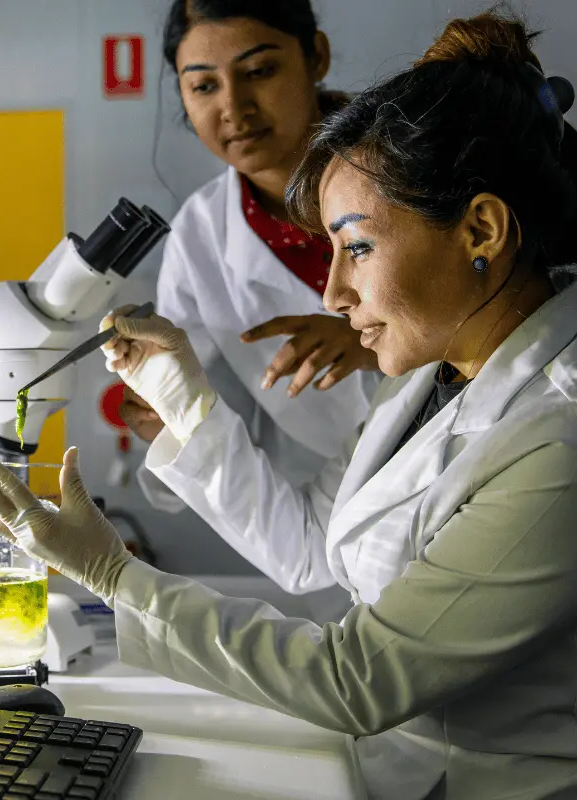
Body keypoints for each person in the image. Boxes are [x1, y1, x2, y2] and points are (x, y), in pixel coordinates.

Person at [0, 12, 577, 799]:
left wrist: (113, 575)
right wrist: (187, 406)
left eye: (356, 247)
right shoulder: (427, 382)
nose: (331, 294)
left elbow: (359, 678)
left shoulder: (570, 442)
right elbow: (318, 543)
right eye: (202, 84)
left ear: (482, 230)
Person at [127, 0, 378, 522]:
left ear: (316, 56)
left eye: (260, 71)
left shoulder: (411, 164)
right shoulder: (199, 240)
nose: (234, 109)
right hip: (331, 511)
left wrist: (372, 344)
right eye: (204, 85)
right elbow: (219, 419)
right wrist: (170, 420)